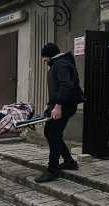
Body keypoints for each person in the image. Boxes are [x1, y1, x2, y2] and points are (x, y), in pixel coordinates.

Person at [35, 43, 84, 183]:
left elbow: (66, 85)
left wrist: (58, 106)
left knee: (52, 134)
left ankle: (53, 170)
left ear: (48, 56)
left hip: (64, 105)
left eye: (43, 57)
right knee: (52, 133)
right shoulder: (59, 64)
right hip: (60, 105)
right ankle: (69, 161)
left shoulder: (60, 65)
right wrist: (49, 107)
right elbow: (56, 89)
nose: (43, 61)